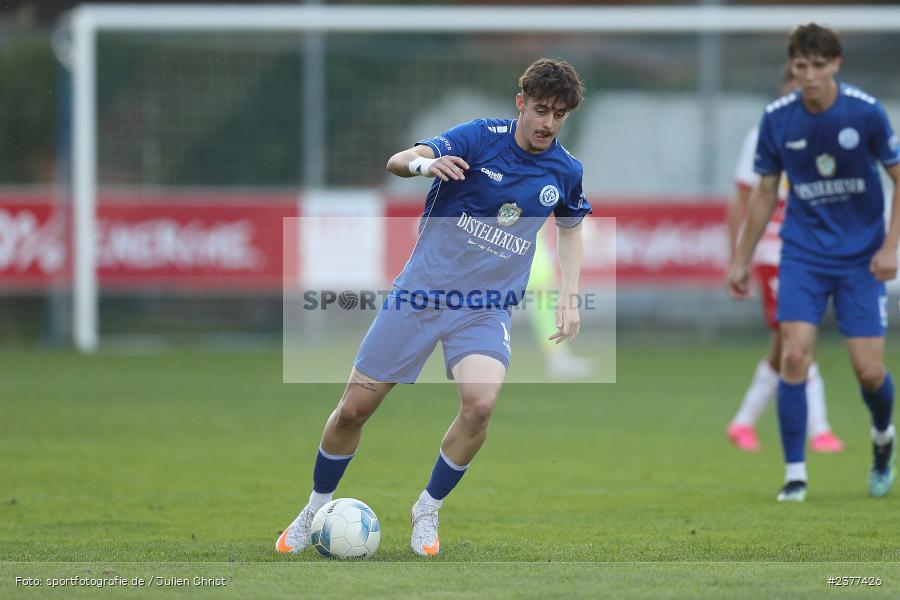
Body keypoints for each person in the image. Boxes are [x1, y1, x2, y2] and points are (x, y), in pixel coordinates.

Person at [276, 58, 591, 555]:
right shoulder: (478, 137)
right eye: (539, 109)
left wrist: (570, 297)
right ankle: (315, 507)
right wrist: (426, 164)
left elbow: (571, 228)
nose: (547, 123)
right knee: (354, 410)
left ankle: (427, 508)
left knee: (481, 406)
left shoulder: (565, 169)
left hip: (485, 308)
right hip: (419, 296)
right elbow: (400, 159)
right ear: (520, 103)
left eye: (558, 114)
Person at [729, 23, 900, 502]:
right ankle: (795, 474)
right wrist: (741, 258)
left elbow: (898, 176)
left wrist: (890, 247)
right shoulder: (778, 118)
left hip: (861, 259)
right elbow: (764, 192)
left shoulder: (864, 112)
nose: (809, 76)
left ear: (835, 65)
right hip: (802, 254)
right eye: (801, 66)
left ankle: (883, 436)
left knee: (869, 372)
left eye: (818, 66)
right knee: (795, 355)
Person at [726, 65, 844, 454]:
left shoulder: (827, 133)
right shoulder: (764, 133)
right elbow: (742, 199)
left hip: (814, 250)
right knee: (796, 338)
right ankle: (820, 430)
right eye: (796, 87)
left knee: (786, 344)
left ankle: (743, 421)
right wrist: (736, 258)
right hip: (775, 251)